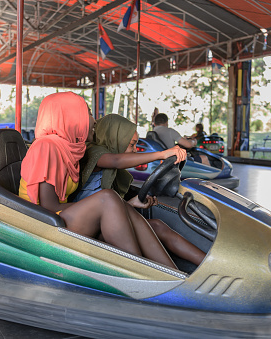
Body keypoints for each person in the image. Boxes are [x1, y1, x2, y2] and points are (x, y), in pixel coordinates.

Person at [19, 92, 177, 269]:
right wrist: (110, 205)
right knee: (108, 198)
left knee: (118, 202)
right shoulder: (47, 146)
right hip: (42, 225)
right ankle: (139, 272)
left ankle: (174, 275)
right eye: (87, 113)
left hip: (59, 219)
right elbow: (49, 207)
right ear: (70, 117)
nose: (94, 121)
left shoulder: (68, 149)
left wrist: (123, 205)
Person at [74, 114, 206, 266]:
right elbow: (116, 162)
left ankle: (207, 267)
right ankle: (168, 277)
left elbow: (109, 209)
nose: (135, 150)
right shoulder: (94, 153)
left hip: (102, 222)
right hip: (88, 231)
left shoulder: (109, 167)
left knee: (157, 225)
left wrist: (131, 203)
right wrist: (162, 154)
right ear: (115, 138)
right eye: (131, 144)